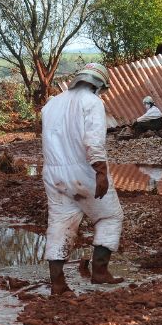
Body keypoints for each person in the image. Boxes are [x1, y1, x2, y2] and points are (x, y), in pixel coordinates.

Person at [41, 63, 125, 295]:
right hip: (84, 172)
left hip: (53, 175)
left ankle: (58, 284)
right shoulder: (93, 102)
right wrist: (100, 172)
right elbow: (93, 141)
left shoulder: (51, 105)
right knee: (110, 217)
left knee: (59, 224)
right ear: (99, 84)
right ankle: (99, 272)